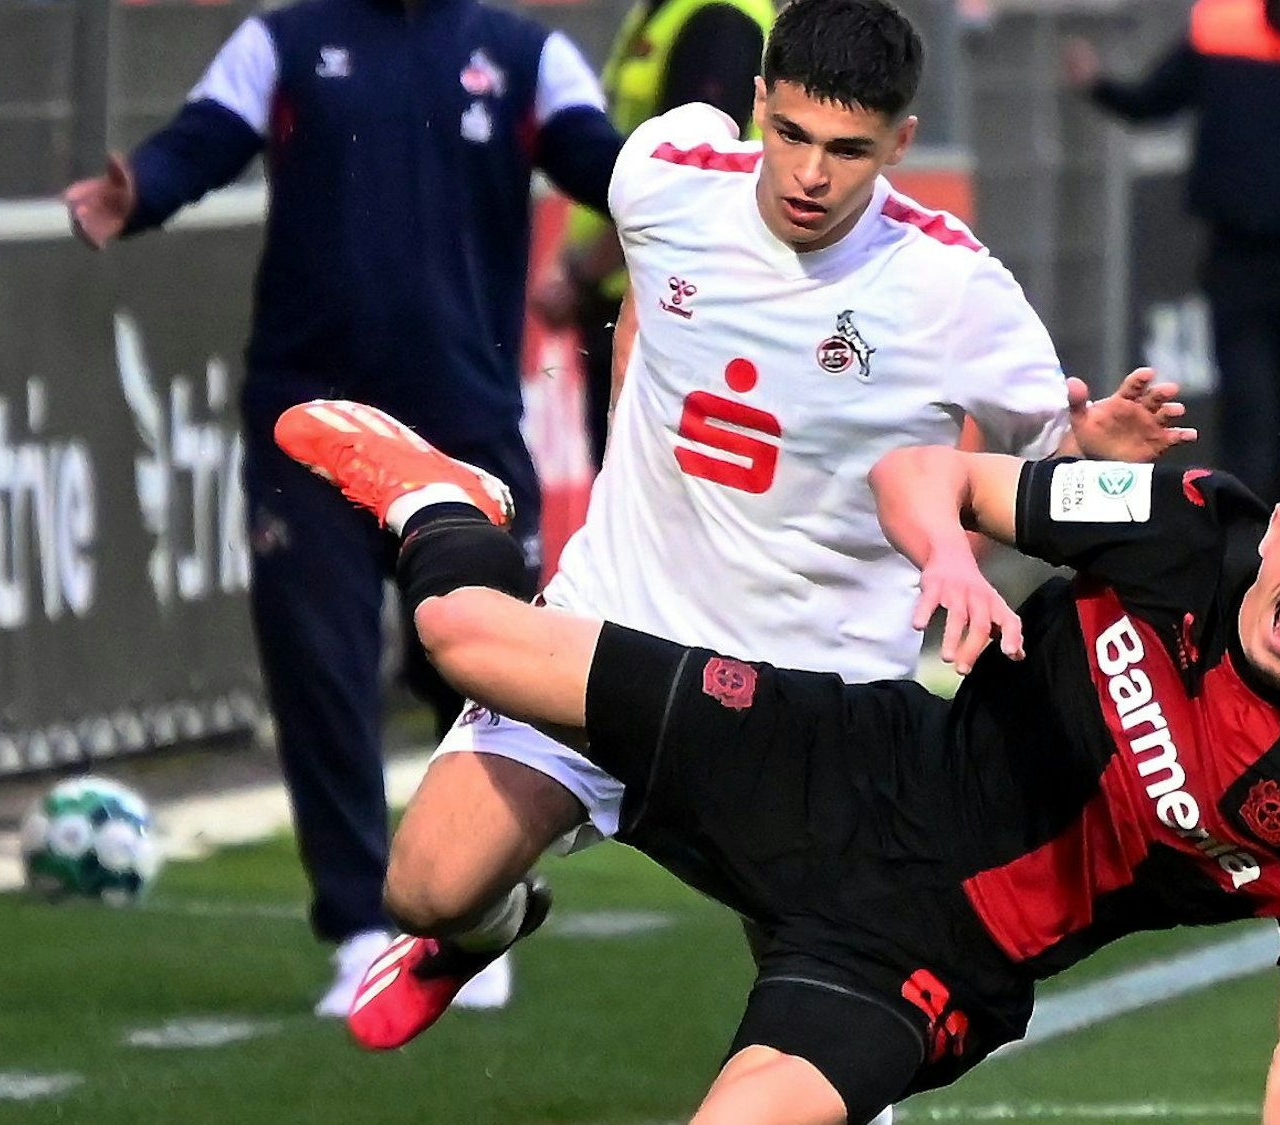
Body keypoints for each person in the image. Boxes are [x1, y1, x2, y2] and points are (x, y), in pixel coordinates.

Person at [327, 0, 1195, 1065]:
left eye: (847, 150)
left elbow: (1039, 475)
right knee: (427, 887)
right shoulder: (664, 175)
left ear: (899, 145)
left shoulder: (953, 290)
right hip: (614, 629)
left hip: (806, 701)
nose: (809, 175)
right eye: (788, 134)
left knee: (826, 1042)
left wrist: (1094, 448)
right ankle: (484, 935)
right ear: (754, 106)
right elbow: (638, 284)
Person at [270, 387, 1280, 1125]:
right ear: (1275, 524)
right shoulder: (1183, 530)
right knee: (453, 675)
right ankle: (446, 507)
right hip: (838, 760)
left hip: (931, 959)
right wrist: (950, 556)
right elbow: (923, 473)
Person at [60, 0, 623, 1017]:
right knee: (315, 663)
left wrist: (708, 208)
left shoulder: (523, 54)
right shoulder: (277, 42)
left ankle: (473, 913)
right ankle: (360, 925)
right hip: (306, 421)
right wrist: (136, 191)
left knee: (481, 669)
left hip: (465, 427)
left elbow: (605, 163)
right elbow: (204, 140)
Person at [1064, 0, 1280, 502]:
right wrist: (1100, 86)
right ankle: (1245, 542)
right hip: (1239, 258)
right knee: (1247, 410)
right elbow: (1156, 98)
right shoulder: (1218, 28)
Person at [533, 0, 776, 464]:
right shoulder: (663, 10)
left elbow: (679, 184)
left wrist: (581, 274)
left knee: (646, 494)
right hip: (635, 296)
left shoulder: (720, 18)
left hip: (672, 306)